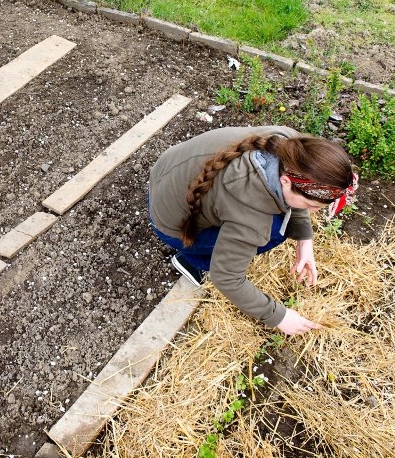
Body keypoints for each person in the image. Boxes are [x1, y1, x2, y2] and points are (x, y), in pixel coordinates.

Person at [147, 125, 356, 335]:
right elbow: (227, 278)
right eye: (311, 207)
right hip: (169, 223)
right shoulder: (251, 209)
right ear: (285, 181)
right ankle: (193, 262)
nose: (313, 212)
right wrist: (279, 316)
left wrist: (304, 240)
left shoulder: (291, 143)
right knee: (276, 230)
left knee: (281, 218)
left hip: (167, 172)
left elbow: (294, 195)